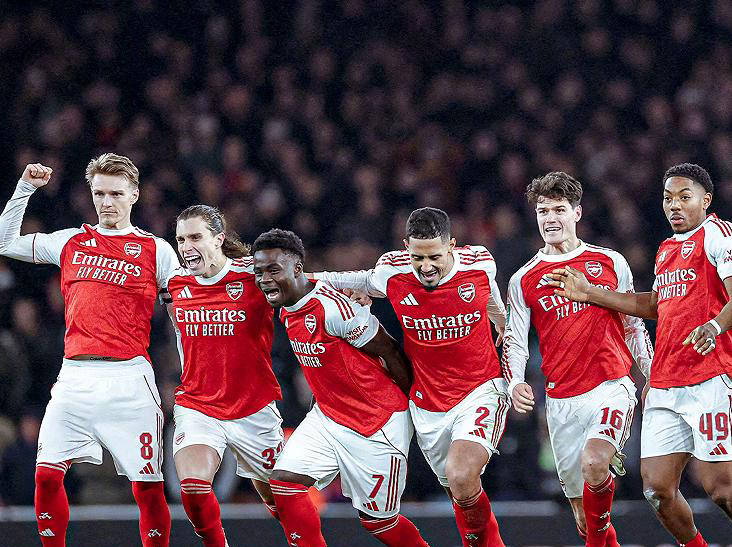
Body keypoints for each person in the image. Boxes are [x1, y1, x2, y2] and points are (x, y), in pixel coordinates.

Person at [549, 163, 732, 547]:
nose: (674, 205)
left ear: (706, 200)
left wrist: (715, 326)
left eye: (684, 197)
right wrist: (591, 293)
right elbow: (656, 306)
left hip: (710, 376)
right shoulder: (666, 250)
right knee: (657, 490)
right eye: (668, 198)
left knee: (720, 489)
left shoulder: (716, 234)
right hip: (666, 382)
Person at [0, 157, 178, 547]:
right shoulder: (70, 241)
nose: (107, 202)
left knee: (148, 487)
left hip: (130, 377)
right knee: (46, 476)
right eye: (99, 193)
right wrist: (25, 188)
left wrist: (186, 373)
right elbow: (4, 242)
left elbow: (180, 314)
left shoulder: (157, 250)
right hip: (74, 376)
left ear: (135, 194)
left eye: (116, 193)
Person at [312, 207, 508, 547]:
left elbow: (490, 297)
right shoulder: (392, 270)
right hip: (428, 403)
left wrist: (503, 324)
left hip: (481, 390)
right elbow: (357, 280)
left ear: (451, 246)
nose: (426, 267)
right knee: (457, 491)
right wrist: (300, 278)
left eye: (434, 257)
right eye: (418, 257)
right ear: (406, 248)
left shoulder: (478, 263)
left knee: (462, 475)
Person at [502, 171, 653, 547]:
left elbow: (633, 324)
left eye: (559, 210)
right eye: (543, 211)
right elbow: (516, 340)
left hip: (611, 386)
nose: (550, 218)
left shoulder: (609, 261)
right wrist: (515, 381)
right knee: (585, 519)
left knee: (595, 462)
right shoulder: (524, 279)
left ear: (577, 213)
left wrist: (652, 373)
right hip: (561, 401)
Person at [252, 228, 430, 547]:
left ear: (297, 268)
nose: (265, 279)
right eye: (260, 271)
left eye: (273, 270)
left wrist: (416, 409)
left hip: (376, 423)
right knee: (284, 484)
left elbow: (390, 351)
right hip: (329, 417)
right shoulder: (286, 308)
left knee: (379, 523)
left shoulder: (334, 308)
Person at [164, 205, 285, 546]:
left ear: (218, 239)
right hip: (198, 404)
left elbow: (308, 284)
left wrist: (359, 289)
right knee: (193, 485)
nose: (186, 247)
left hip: (253, 408)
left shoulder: (254, 274)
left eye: (195, 237)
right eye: (181, 240)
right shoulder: (173, 282)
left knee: (283, 503)